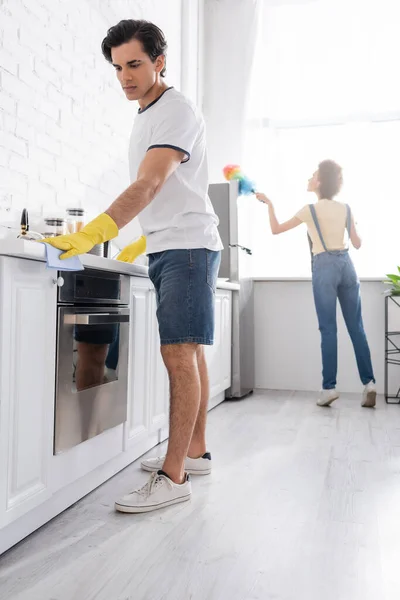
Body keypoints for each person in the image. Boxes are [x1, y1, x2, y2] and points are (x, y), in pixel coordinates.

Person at [43, 19, 223, 512]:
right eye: (118, 67)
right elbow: (171, 192)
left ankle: (174, 477)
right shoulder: (147, 113)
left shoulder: (175, 110)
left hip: (186, 248)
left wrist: (94, 233)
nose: (125, 76)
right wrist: (141, 239)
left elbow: (149, 185)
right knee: (191, 354)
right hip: (173, 244)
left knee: (178, 356)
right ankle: (195, 451)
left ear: (160, 61)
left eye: (135, 64)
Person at [255, 159, 376, 408]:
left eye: (312, 175)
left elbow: (276, 229)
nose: (309, 178)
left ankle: (329, 388)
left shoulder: (309, 209)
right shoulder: (346, 208)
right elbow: (358, 243)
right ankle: (370, 384)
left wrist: (269, 204)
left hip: (325, 267)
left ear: (320, 181)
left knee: (328, 329)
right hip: (347, 266)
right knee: (357, 328)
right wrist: (354, 227)